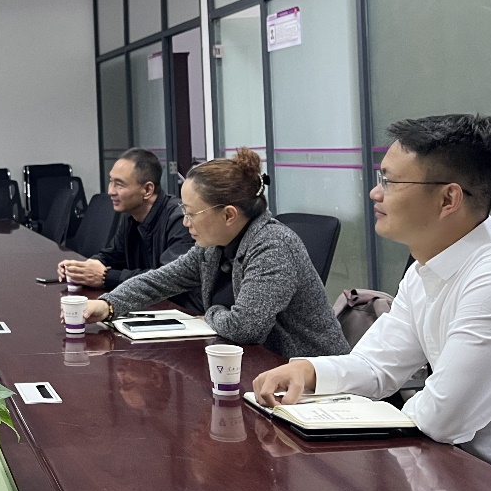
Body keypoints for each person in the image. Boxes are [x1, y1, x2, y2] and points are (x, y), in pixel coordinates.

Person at [254, 114, 491, 475]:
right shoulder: (424, 270)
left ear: (448, 199)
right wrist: (309, 370)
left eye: (391, 182)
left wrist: (370, 419)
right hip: (454, 468)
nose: (375, 193)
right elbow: (377, 366)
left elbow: (444, 419)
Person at [65, 146, 349, 359]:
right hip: (265, 368)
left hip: (315, 380)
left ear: (228, 215)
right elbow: (160, 280)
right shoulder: (214, 246)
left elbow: (245, 327)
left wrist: (211, 313)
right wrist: (108, 305)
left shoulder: (272, 246)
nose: (185, 222)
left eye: (191, 213)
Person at [57, 148, 199, 313]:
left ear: (147, 190)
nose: (110, 191)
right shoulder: (131, 217)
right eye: (111, 182)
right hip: (149, 307)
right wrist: (84, 268)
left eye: (119, 184)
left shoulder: (180, 220)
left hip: (182, 312)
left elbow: (168, 278)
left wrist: (106, 277)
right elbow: (113, 255)